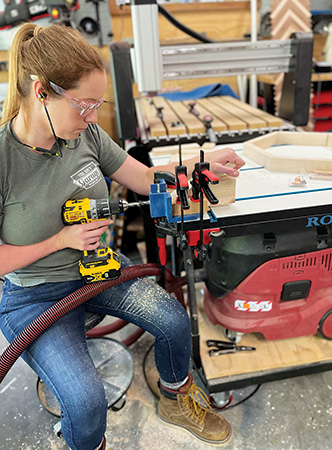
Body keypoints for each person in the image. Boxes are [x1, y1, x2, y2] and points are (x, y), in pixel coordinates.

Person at [0, 23, 245, 450]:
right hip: (33, 295)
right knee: (85, 401)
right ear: (41, 91)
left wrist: (200, 167)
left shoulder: (86, 135)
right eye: (84, 105)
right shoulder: (3, 159)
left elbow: (145, 177)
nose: (94, 117)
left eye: (98, 104)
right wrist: (60, 241)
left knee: (171, 319)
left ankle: (175, 398)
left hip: (97, 269)